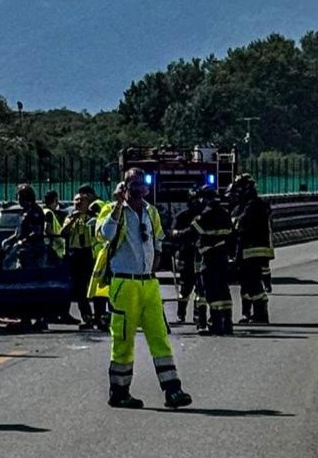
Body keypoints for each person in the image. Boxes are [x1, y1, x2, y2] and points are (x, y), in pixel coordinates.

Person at [97, 168, 192, 409]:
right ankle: (119, 392)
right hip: (124, 283)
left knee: (159, 336)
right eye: (133, 184)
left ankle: (173, 390)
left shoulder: (151, 212)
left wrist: (156, 260)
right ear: (124, 186)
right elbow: (105, 235)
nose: (138, 188)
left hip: (148, 283)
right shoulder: (111, 209)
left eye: (142, 184)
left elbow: (158, 239)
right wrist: (119, 205)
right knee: (123, 339)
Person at [175, 187, 234, 335]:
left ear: (205, 198)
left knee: (210, 291)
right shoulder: (225, 214)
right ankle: (227, 323)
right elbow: (233, 235)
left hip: (208, 257)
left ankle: (216, 323)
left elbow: (191, 232)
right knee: (224, 290)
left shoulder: (206, 214)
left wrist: (175, 235)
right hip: (223, 257)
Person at [230, 175, 273, 324]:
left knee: (252, 282)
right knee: (246, 284)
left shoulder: (253, 205)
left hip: (252, 250)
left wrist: (233, 224)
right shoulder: (248, 205)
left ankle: (261, 314)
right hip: (248, 250)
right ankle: (248, 314)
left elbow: (241, 225)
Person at [62, 193, 99, 330]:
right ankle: (87, 316)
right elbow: (63, 233)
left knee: (93, 287)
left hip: (89, 254)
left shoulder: (93, 217)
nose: (78, 202)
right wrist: (72, 220)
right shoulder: (70, 217)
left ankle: (100, 316)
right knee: (79, 289)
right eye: (76, 200)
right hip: (75, 254)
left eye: (81, 200)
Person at [171, 192, 207, 324]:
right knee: (185, 287)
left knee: (200, 288)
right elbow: (174, 233)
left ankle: (198, 315)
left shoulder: (204, 216)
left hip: (200, 254)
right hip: (186, 254)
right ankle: (181, 314)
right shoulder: (182, 216)